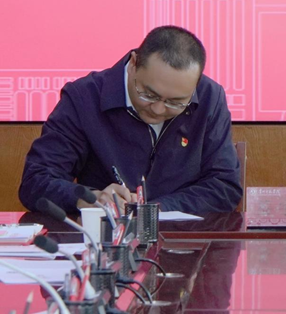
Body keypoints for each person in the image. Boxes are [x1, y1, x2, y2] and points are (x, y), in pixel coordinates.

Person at [19, 26, 242, 216]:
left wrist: (153, 211)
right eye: (149, 94)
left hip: (183, 240)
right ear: (134, 63)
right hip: (106, 240)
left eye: (176, 102)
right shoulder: (85, 97)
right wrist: (91, 199)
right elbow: (36, 181)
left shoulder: (210, 97)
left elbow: (224, 187)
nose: (158, 109)